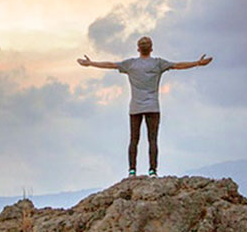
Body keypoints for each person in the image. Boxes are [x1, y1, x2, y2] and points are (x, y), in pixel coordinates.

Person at [77, 36, 212, 177]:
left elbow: (111, 65)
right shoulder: (158, 63)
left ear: (138, 49)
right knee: (152, 140)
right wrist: (198, 63)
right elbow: (178, 65)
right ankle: (153, 171)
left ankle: (132, 171)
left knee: (134, 139)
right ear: (151, 48)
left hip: (135, 107)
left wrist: (91, 63)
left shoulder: (130, 64)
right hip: (153, 107)